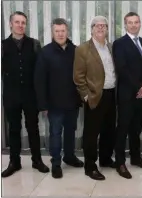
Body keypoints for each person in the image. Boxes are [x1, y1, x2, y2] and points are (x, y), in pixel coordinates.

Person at [1, 11, 49, 178]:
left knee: (33, 128)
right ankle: (14, 162)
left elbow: (41, 71)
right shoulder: (2, 45)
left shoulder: (34, 44)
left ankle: (37, 160)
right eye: (17, 22)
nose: (20, 25)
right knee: (14, 129)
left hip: (31, 95)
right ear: (10, 24)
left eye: (23, 23)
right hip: (11, 95)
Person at [34, 18, 84, 179]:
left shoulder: (76, 50)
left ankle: (69, 157)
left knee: (71, 131)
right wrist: (43, 104)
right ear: (52, 32)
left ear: (67, 31)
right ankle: (56, 162)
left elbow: (81, 75)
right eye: (57, 31)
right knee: (55, 133)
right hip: (54, 103)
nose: (60, 34)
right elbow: (39, 80)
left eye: (63, 30)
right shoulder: (45, 52)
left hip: (73, 101)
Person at [74, 16, 117, 181]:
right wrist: (86, 95)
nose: (100, 28)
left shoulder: (111, 47)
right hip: (94, 96)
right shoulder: (83, 49)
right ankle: (90, 166)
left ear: (107, 29)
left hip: (111, 94)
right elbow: (78, 77)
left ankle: (105, 159)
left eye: (103, 26)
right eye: (97, 26)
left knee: (109, 130)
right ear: (91, 29)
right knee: (91, 133)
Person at [112, 12, 142, 179]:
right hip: (127, 94)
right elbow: (122, 69)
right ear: (125, 24)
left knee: (136, 129)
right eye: (130, 22)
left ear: (140, 24)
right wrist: (140, 87)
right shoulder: (119, 43)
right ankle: (120, 163)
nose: (133, 25)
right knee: (122, 129)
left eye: (136, 22)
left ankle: (136, 158)